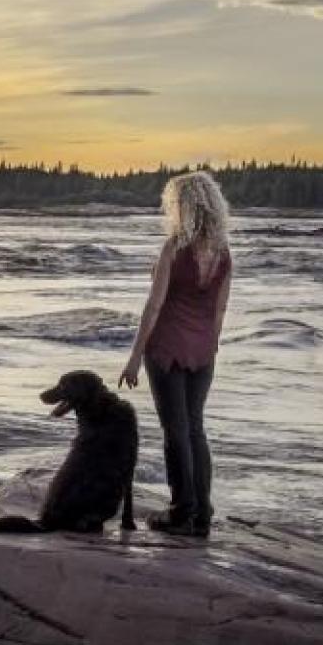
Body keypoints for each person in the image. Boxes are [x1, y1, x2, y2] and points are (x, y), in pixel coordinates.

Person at [117, 170, 232, 537]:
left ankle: (181, 510)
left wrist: (135, 356)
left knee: (176, 431)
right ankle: (202, 511)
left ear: (183, 205)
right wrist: (208, 348)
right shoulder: (223, 252)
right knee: (195, 429)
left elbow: (154, 307)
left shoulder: (174, 248)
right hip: (202, 351)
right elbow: (219, 311)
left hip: (167, 348)